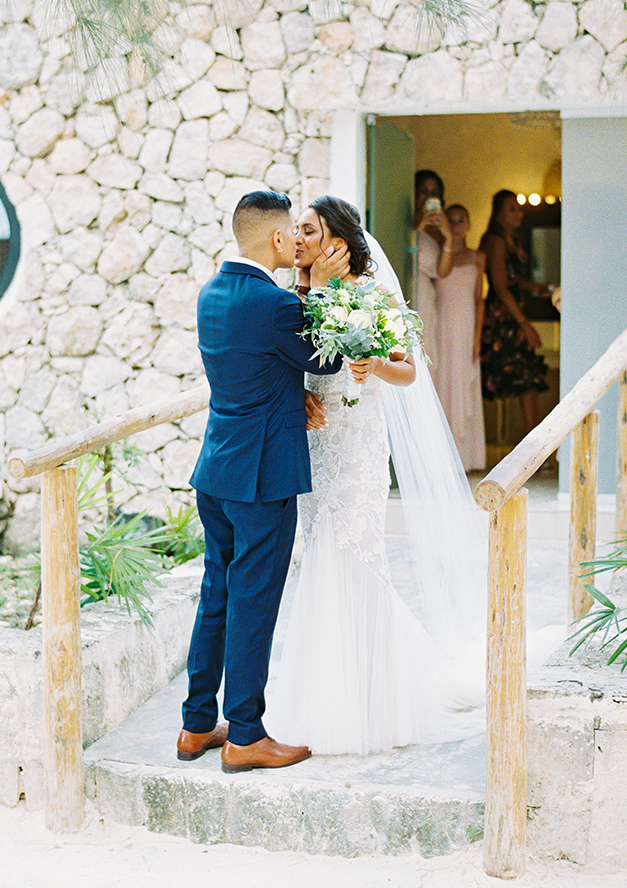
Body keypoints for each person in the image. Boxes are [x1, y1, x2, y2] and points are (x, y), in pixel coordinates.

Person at [266, 196, 487, 755]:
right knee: (318, 555)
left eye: (309, 232)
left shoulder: (372, 296)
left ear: (337, 242)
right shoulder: (294, 295)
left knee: (357, 555)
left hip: (359, 444)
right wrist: (299, 397)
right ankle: (322, 693)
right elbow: (285, 363)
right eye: (297, 231)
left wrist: (372, 366)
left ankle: (369, 701)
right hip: (316, 446)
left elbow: (409, 373)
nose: (298, 240)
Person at [177, 190, 345, 771]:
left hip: (216, 470)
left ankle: (197, 725)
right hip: (261, 478)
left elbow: (252, 366)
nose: (297, 242)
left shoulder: (212, 294)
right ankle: (246, 734)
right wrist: (319, 290)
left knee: (216, 595)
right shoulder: (274, 303)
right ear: (276, 240)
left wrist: (285, 392)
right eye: (291, 234)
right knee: (255, 602)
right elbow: (325, 360)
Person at [479, 190, 549, 436]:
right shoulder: (496, 241)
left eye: (519, 208)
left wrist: (534, 287)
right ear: (498, 213)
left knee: (527, 378)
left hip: (512, 311)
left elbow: (513, 278)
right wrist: (524, 324)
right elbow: (499, 284)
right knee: (523, 378)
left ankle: (533, 441)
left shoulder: (511, 240)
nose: (518, 213)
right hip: (503, 316)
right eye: (511, 209)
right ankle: (532, 444)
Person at [433, 204, 486, 472]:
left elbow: (480, 300)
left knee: (463, 381)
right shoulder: (439, 253)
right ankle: (441, 457)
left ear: (469, 224)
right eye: (450, 221)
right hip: (441, 324)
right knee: (442, 381)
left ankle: (466, 456)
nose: (456, 226)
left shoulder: (479, 257)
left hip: (465, 327)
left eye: (460, 220)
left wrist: (477, 337)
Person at [413, 170, 453, 375]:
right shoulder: (407, 225)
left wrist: (448, 237)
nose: (428, 197)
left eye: (434, 193)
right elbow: (403, 255)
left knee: (427, 347)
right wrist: (417, 228)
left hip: (428, 295)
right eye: (423, 191)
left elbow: (442, 272)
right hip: (408, 289)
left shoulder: (437, 232)